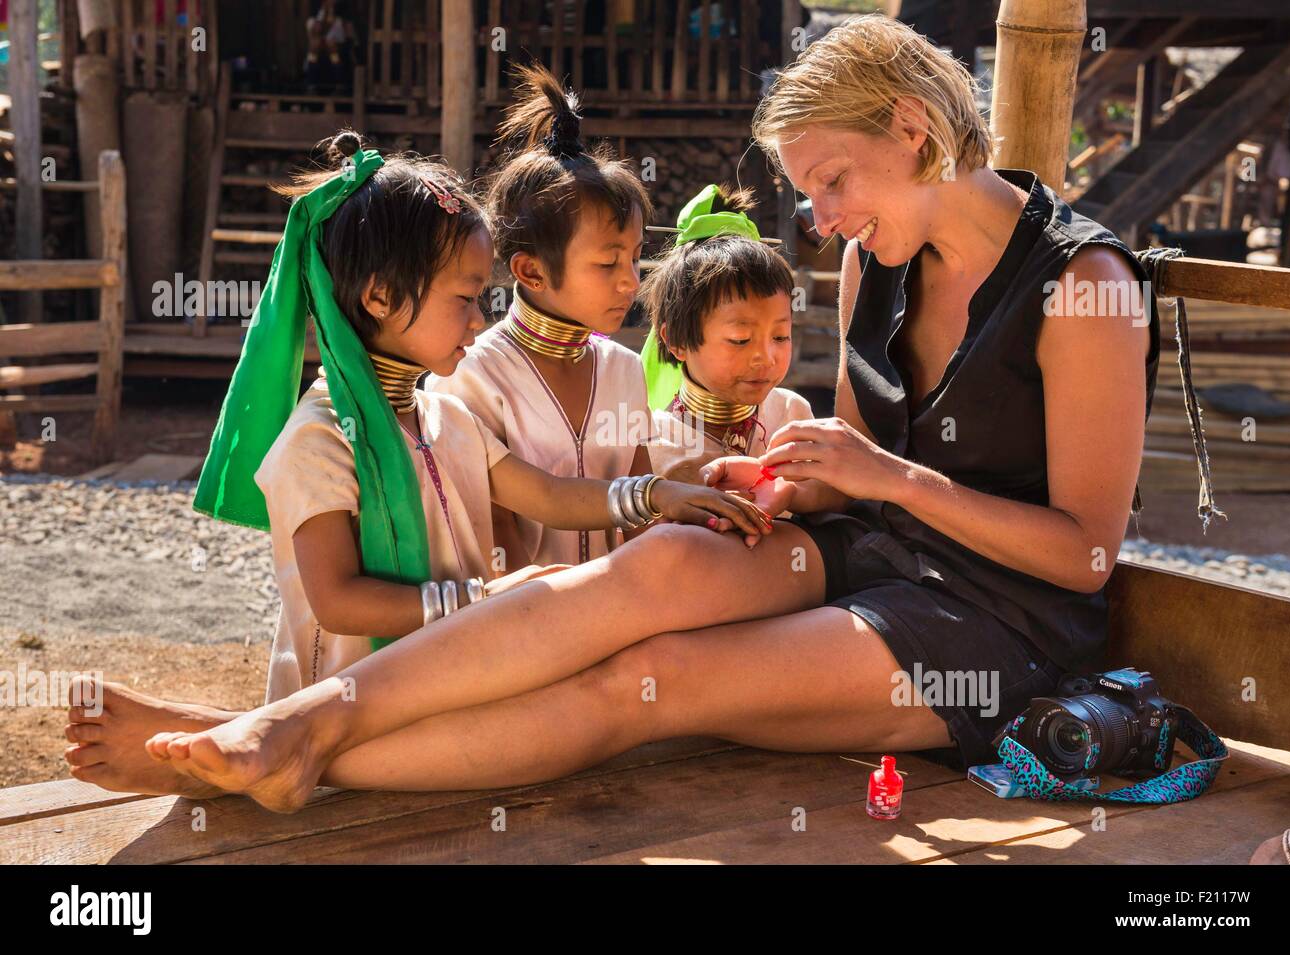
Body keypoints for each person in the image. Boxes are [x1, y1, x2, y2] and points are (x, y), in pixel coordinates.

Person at [66, 14, 1157, 814]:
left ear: (915, 131)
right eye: (810, 195)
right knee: (649, 572)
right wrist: (790, 478)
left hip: (999, 623)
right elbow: (856, 468)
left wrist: (885, 482)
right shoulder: (885, 258)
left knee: (649, 681)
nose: (818, 224)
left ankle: (275, 739)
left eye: (829, 184)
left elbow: (1087, 556)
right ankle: (299, 723)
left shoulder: (1082, 285)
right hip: (872, 547)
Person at [428, 64, 656, 571]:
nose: (631, 281)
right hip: (519, 622)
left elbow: (644, 511)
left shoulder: (624, 369)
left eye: (636, 258)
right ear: (531, 271)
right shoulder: (472, 376)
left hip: (621, 616)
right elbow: (495, 540)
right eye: (606, 262)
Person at [639, 182, 813, 491]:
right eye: (740, 339)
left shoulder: (792, 415)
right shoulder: (651, 440)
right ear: (676, 340)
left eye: (781, 336)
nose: (766, 357)